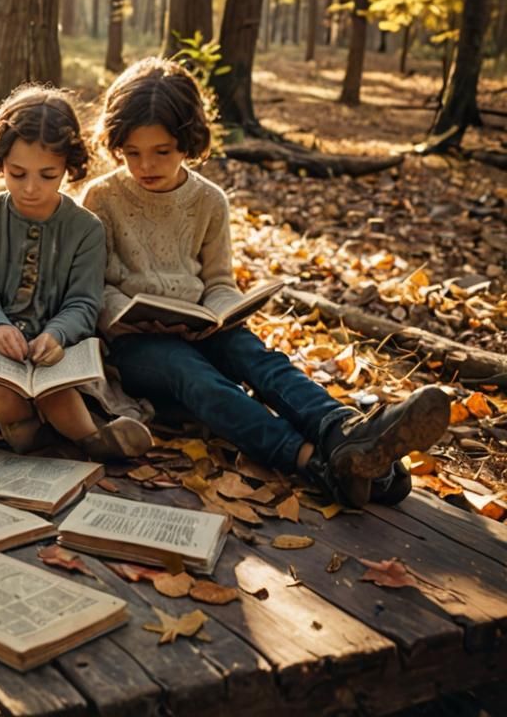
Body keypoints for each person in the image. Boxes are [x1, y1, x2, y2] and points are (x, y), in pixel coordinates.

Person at [81, 57, 449, 507]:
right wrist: (124, 314)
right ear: (116, 144)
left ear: (189, 141)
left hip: (202, 327)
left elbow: (218, 280)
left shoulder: (208, 201)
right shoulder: (102, 197)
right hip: (136, 344)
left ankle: (343, 431)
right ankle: (316, 460)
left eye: (162, 151)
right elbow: (91, 285)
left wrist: (220, 311)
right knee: (194, 376)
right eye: (131, 152)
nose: (145, 165)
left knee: (258, 357)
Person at [0, 85, 153, 461]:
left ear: (69, 166)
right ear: (0, 162)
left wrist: (57, 333)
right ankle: (34, 441)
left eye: (48, 175)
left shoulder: (86, 228)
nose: (31, 188)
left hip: (58, 355)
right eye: (17, 174)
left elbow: (83, 301)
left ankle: (94, 442)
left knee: (58, 393)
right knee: (4, 394)